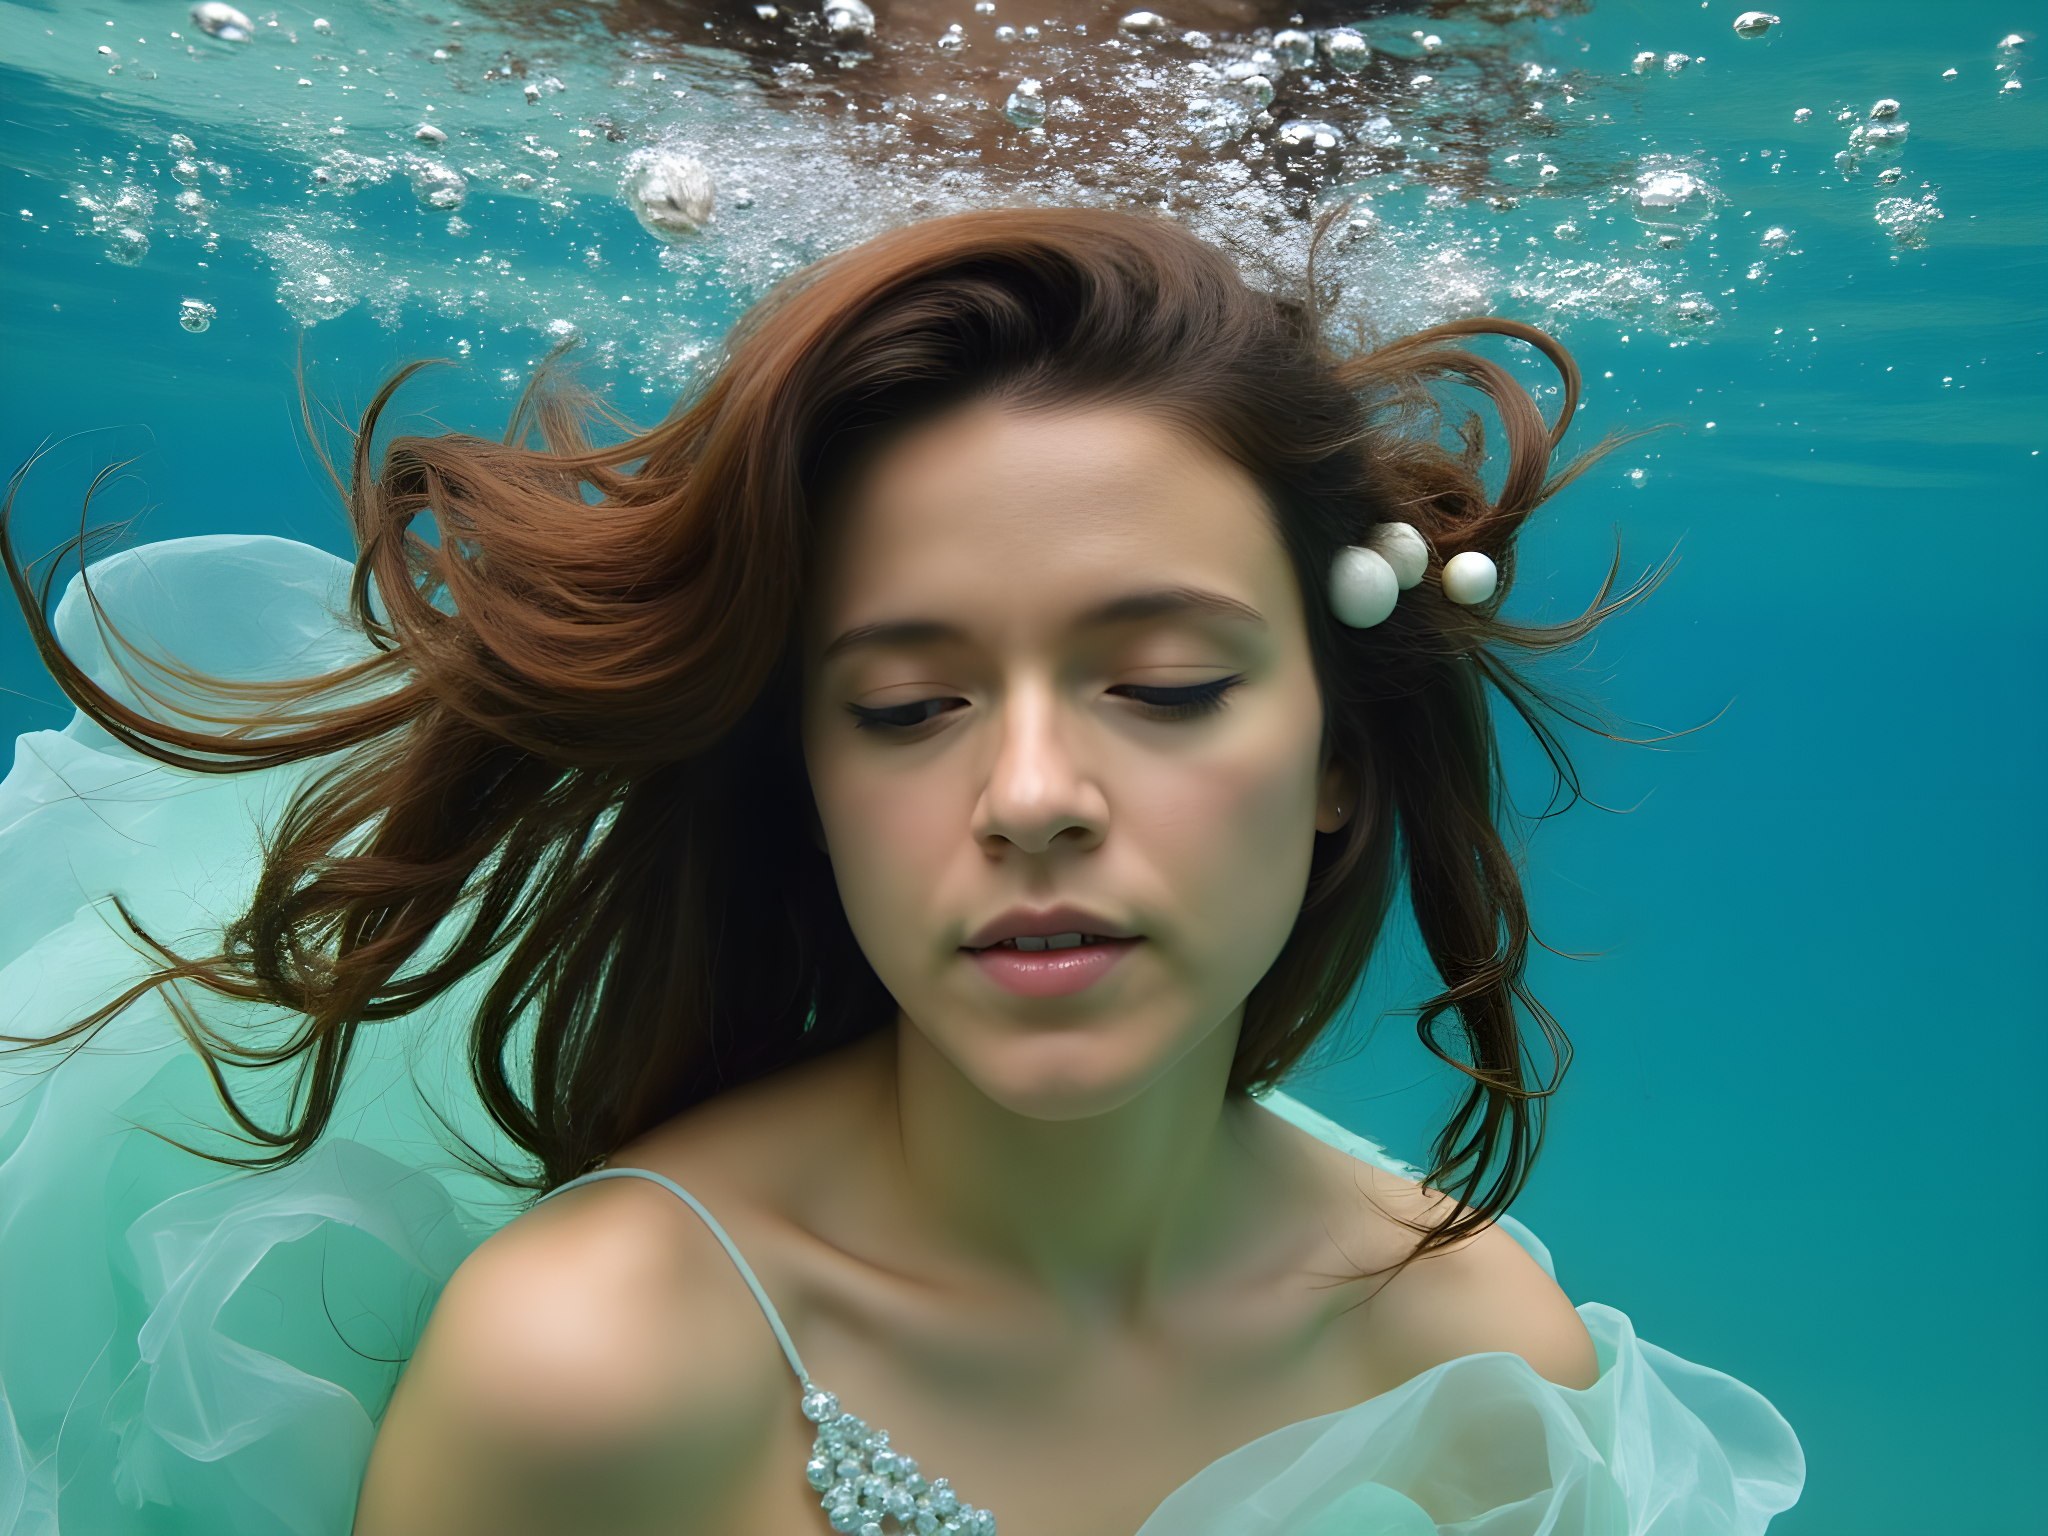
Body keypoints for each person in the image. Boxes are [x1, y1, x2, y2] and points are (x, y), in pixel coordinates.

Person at [0, 208, 1802, 1534]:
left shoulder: (1484, 1350)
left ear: (1339, 755)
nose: (1032, 795)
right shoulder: (599, 1373)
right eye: (909, 705)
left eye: (1164, 686)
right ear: (809, 778)